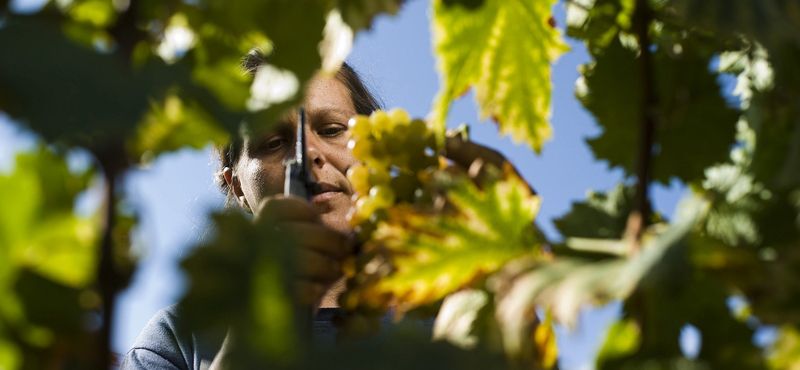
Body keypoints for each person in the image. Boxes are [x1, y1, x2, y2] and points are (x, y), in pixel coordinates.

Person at [121, 53, 518, 370]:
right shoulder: (177, 337)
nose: (307, 153)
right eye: (273, 142)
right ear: (235, 185)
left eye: (331, 130)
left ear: (375, 150)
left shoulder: (451, 310)